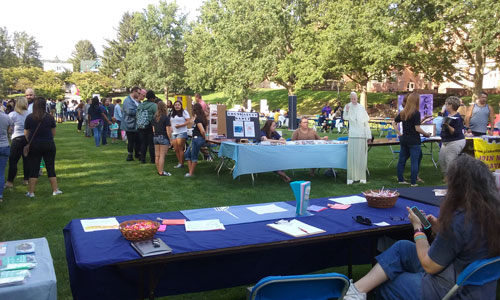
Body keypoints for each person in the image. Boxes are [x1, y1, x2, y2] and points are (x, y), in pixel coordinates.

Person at [344, 154, 500, 300]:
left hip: (453, 291)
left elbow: (429, 265)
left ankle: (356, 292)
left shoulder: (458, 220)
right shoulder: (491, 213)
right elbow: (466, 244)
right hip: (480, 287)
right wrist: (440, 230)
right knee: (402, 247)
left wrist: (418, 229)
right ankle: (356, 291)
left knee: (385, 284)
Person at [24, 97, 62, 197]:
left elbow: (26, 133)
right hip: (48, 144)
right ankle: (55, 190)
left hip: (35, 145)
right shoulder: (49, 117)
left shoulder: (29, 117)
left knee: (34, 168)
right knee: (50, 167)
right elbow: (53, 132)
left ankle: (31, 192)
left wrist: (31, 142)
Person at [392, 93, 430, 186]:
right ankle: (413, 182)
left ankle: (401, 180)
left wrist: (400, 134)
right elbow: (416, 128)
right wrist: (426, 134)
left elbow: (394, 122)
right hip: (414, 140)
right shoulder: (416, 113)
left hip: (404, 139)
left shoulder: (403, 112)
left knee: (402, 160)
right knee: (414, 161)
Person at [343, 92, 372, 184]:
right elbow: (345, 117)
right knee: (352, 157)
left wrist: (368, 136)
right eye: (352, 98)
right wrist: (346, 110)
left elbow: (366, 122)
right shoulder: (347, 106)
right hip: (352, 135)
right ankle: (351, 178)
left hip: (362, 135)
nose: (354, 100)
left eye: (355, 98)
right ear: (350, 98)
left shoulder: (361, 107)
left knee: (362, 156)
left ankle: (362, 177)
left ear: (357, 98)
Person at [5, 98, 29, 188]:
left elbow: (9, 127)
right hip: (27, 138)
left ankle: (10, 181)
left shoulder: (12, 114)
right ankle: (26, 179)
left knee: (13, 161)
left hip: (17, 138)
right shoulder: (29, 114)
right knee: (26, 160)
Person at [438, 96, 465, 175]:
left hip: (455, 141)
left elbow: (456, 132)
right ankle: (447, 177)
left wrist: (447, 125)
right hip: (446, 141)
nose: (445, 105)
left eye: (446, 104)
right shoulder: (448, 115)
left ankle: (452, 178)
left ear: (451, 105)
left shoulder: (457, 118)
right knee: (442, 159)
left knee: (450, 160)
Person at [185, 103, 208, 177]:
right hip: (196, 138)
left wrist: (204, 137)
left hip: (197, 138)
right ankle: (190, 171)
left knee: (193, 156)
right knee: (187, 154)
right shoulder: (202, 118)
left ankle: (191, 173)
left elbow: (202, 131)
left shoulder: (198, 119)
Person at [136, 90, 157, 164]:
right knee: (151, 144)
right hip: (149, 126)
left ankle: (143, 159)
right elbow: (157, 115)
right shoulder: (153, 105)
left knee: (143, 143)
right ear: (152, 98)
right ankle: (152, 160)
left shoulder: (140, 105)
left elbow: (137, 115)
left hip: (140, 126)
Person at [152, 101, 172, 176]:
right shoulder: (166, 117)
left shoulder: (154, 117)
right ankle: (161, 172)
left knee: (157, 155)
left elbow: (153, 129)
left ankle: (159, 170)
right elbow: (168, 130)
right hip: (163, 137)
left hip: (155, 137)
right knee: (162, 156)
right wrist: (170, 139)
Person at [122, 87, 141, 161]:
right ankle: (130, 155)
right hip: (129, 124)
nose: (139, 95)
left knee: (138, 140)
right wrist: (139, 111)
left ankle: (137, 154)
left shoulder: (136, 101)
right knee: (131, 141)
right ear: (134, 92)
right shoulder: (127, 101)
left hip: (136, 124)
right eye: (138, 93)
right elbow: (130, 112)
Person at [170, 100, 191, 169]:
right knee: (176, 149)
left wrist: (180, 125)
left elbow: (188, 121)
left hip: (182, 132)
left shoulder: (184, 112)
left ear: (181, 106)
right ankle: (180, 162)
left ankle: (181, 163)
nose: (177, 106)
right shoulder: (172, 113)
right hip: (174, 133)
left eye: (178, 105)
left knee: (180, 148)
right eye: (175, 105)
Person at [0, 106, 13, 201]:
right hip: (4, 145)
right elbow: (10, 130)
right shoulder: (6, 117)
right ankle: (0, 195)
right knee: (1, 173)